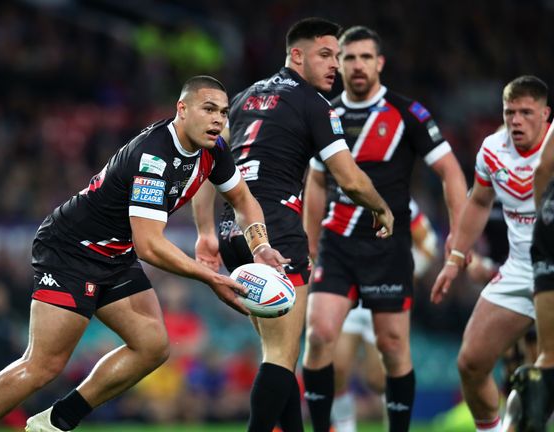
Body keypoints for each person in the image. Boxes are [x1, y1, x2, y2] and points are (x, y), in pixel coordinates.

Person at [0, 75, 289, 432]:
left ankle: (56, 421)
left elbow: (243, 200)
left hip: (115, 252)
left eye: (222, 111)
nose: (218, 119)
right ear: (182, 110)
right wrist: (211, 278)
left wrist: (261, 246)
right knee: (45, 365)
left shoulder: (213, 151)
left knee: (153, 346)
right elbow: (150, 245)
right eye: (208, 109)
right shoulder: (154, 158)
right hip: (71, 249)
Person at [193, 18, 394, 432]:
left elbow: (205, 165)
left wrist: (206, 233)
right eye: (326, 54)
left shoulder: (246, 97)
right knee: (283, 357)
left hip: (236, 233)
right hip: (277, 231)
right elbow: (350, 178)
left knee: (276, 351)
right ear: (296, 56)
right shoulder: (314, 104)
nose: (334, 64)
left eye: (337, 56)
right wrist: (381, 208)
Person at [302, 26, 467, 432]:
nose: (357, 66)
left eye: (365, 57)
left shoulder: (407, 112)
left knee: (393, 348)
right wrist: (308, 246)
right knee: (320, 335)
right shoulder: (325, 114)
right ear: (338, 64)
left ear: (380, 63)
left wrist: (459, 241)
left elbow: (450, 172)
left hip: (388, 248)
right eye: (349, 58)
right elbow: (317, 182)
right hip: (337, 244)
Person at [431, 75, 551, 432]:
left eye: (526, 112)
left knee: (545, 365)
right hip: (519, 269)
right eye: (509, 112)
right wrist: (455, 261)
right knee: (471, 362)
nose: (515, 120)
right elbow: (479, 202)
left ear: (546, 115)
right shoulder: (492, 150)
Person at [330, 199, 438, 432]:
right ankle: (345, 427)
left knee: (377, 379)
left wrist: (407, 273)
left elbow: (428, 243)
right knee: (335, 368)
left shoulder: (400, 198)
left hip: (384, 296)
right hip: (348, 293)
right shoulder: (339, 194)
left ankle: (393, 425)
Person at [501, 102, 554, 431]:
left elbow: (543, 171)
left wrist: (543, 218)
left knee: (546, 355)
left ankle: (521, 414)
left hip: (545, 237)